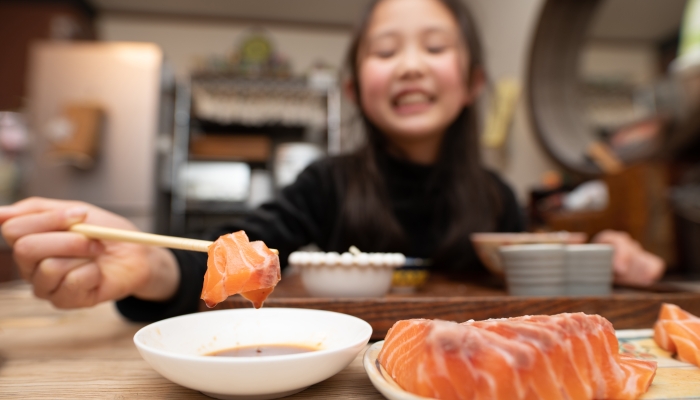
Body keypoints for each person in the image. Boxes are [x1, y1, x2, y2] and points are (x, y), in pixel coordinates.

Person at [0, 0, 664, 321]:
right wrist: (149, 265)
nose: (408, 64)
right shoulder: (325, 184)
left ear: (472, 84)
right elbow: (230, 257)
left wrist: (607, 256)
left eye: (433, 46)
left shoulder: (496, 193)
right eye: (384, 51)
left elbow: (533, 273)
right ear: (354, 90)